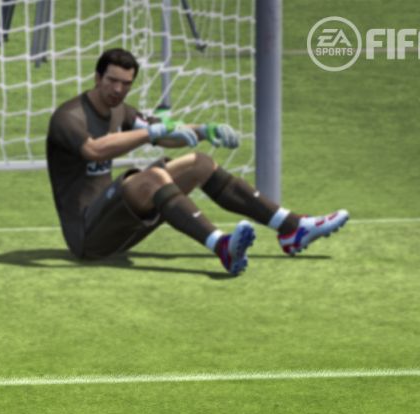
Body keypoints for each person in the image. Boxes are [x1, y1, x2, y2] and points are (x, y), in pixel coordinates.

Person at [47, 48, 349, 276]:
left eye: (125, 83)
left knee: (199, 164)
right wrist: (150, 133)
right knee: (152, 178)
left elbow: (166, 135)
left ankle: (292, 228)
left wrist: (203, 130)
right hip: (87, 236)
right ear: (97, 77)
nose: (117, 90)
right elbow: (94, 150)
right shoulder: (68, 117)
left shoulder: (121, 111)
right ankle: (222, 247)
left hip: (121, 224)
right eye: (112, 81)